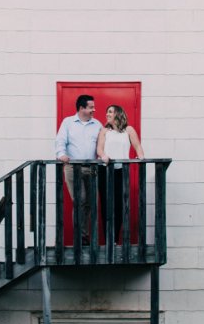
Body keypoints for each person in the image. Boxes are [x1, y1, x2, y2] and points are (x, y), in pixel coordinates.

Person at [53, 95, 101, 246]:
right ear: (81, 108)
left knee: (90, 203)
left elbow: (103, 143)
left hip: (92, 169)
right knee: (80, 200)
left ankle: (86, 235)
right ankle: (81, 238)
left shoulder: (97, 124)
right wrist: (61, 154)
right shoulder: (68, 122)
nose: (94, 110)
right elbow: (60, 140)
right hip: (73, 168)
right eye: (91, 107)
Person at [96, 105, 143, 242]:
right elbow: (99, 149)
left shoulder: (128, 130)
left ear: (118, 113)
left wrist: (140, 156)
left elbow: (138, 147)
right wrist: (103, 155)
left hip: (121, 171)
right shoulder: (104, 131)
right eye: (107, 112)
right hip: (105, 170)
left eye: (110, 111)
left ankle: (115, 238)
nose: (107, 114)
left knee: (119, 205)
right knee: (106, 205)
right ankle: (108, 239)